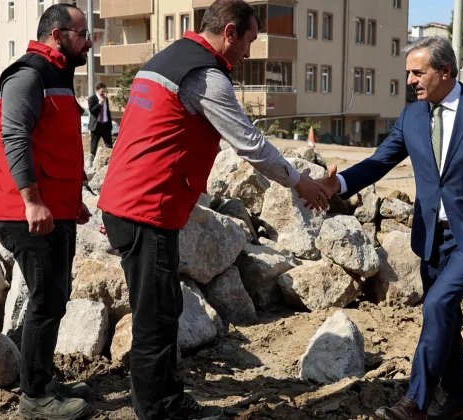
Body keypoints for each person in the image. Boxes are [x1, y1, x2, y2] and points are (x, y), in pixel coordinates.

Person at [96, 0, 330, 418]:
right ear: (229, 33)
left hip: (132, 203)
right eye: (250, 41)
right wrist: (301, 182)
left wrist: (114, 199)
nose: (249, 52)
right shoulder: (206, 76)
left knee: (162, 308)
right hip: (146, 208)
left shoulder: (167, 59)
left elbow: (135, 133)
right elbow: (249, 143)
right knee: (156, 316)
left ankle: (165, 399)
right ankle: (159, 409)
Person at [318, 36, 463, 420]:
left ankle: (415, 401)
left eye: (418, 72)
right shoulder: (411, 116)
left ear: (444, 71)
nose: (411, 80)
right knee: (444, 315)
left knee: (437, 304)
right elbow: (379, 161)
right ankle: (460, 400)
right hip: (432, 235)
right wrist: (341, 184)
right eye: (408, 73)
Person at [0, 4, 94, 419]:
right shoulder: (28, 75)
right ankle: (34, 397)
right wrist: (33, 200)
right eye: (83, 34)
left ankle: (44, 379)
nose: (90, 42)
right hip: (26, 213)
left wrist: (72, 201)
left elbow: (55, 147)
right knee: (46, 302)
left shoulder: (58, 76)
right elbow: (14, 137)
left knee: (55, 298)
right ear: (57, 34)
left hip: (55, 210)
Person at [87, 82, 113, 164]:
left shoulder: (106, 99)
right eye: (102, 92)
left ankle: (110, 162)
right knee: (94, 145)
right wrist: (99, 104)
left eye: (105, 92)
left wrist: (110, 124)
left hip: (105, 125)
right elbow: (92, 111)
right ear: (97, 90)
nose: (104, 94)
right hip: (96, 125)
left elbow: (107, 112)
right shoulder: (92, 99)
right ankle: (90, 163)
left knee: (109, 145)